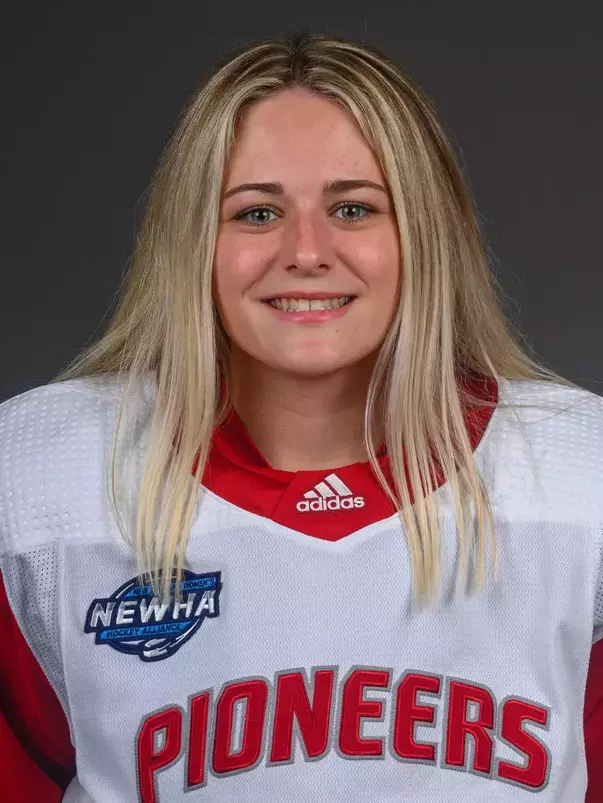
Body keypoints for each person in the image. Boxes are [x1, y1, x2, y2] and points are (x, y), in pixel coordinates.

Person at [0, 31, 601, 803]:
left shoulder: (577, 481)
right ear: (194, 243)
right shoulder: (43, 484)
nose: (306, 250)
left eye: (353, 208)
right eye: (255, 213)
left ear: (424, 234)